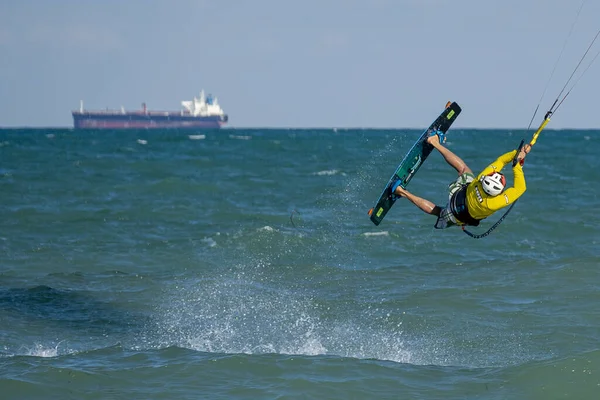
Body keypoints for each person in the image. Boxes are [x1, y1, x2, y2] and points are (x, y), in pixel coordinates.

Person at [391, 131, 531, 229]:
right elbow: (520, 188)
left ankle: (434, 142)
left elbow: (501, 160)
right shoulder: (494, 203)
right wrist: (517, 163)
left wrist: (516, 156)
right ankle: (401, 191)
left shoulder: (480, 179)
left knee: (464, 169)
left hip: (458, 195)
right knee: (438, 212)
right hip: (457, 215)